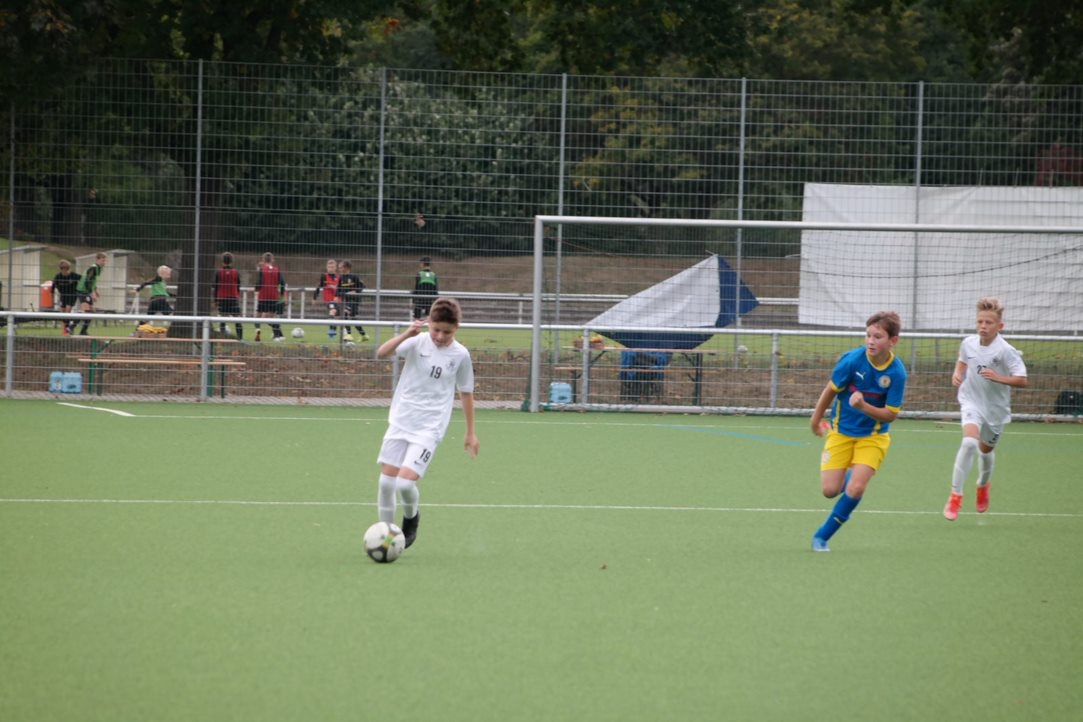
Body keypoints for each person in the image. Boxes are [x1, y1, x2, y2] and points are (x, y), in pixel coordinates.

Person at [374, 297, 479, 549]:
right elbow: (381, 353)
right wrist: (406, 334)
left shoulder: (460, 355)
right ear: (428, 322)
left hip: (429, 427)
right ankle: (386, 537)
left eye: (447, 332)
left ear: (457, 328)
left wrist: (470, 433)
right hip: (401, 420)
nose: (440, 336)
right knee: (386, 483)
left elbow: (466, 392)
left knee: (404, 483)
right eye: (436, 329)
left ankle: (411, 518)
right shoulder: (417, 341)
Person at [809, 310, 907, 552]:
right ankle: (852, 482)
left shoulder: (897, 373)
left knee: (856, 489)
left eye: (878, 337)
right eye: (868, 335)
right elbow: (830, 390)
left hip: (873, 437)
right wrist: (815, 420)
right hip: (840, 433)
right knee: (830, 490)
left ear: (893, 341)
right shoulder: (852, 360)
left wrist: (864, 406)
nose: (871, 341)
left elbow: (891, 414)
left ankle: (822, 536)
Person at [943, 297, 1028, 520]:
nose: (983, 326)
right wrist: (957, 372)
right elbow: (963, 360)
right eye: (980, 321)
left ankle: (982, 485)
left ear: (1000, 326)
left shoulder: (1006, 351)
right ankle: (955, 496)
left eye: (988, 322)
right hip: (971, 401)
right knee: (969, 443)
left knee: (986, 451)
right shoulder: (968, 343)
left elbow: (1022, 379)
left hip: (995, 410)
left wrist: (999, 378)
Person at [70, 252, 106, 336]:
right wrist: (91, 293)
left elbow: (92, 281)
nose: (104, 263)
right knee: (86, 310)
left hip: (86, 291)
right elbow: (87, 281)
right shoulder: (93, 268)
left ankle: (83, 331)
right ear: (97, 259)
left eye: (105, 261)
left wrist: (95, 290)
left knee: (90, 312)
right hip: (82, 291)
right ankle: (71, 327)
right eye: (102, 260)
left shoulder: (99, 268)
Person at [254, 252, 285, 342]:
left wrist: (256, 289)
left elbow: (259, 283)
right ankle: (278, 335)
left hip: (263, 297)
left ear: (263, 260)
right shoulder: (277, 270)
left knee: (257, 317)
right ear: (272, 260)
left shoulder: (262, 270)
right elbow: (282, 283)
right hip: (273, 297)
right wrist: (281, 293)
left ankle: (258, 331)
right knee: (270, 318)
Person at [336, 260, 369, 342]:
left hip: (354, 300)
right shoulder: (341, 278)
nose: (339, 269)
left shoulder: (354, 277)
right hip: (347, 300)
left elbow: (362, 286)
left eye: (341, 267)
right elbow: (338, 290)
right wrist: (340, 295)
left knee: (345, 313)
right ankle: (364, 335)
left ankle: (349, 335)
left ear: (347, 268)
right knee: (353, 318)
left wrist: (355, 291)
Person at [213, 252, 243, 339]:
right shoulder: (236, 272)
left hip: (222, 299)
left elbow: (216, 287)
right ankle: (240, 338)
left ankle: (222, 338)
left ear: (222, 261)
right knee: (237, 320)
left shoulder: (218, 272)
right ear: (232, 261)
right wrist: (237, 295)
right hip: (233, 298)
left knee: (223, 319)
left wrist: (215, 300)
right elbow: (238, 285)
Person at [51, 260, 81, 335]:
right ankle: (68, 328)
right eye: (64, 270)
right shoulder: (58, 276)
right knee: (63, 314)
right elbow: (53, 286)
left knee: (67, 311)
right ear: (61, 269)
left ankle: (69, 328)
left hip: (72, 295)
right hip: (63, 296)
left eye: (67, 270)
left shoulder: (74, 275)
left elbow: (83, 279)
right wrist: (52, 295)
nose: (66, 272)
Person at [313, 258, 341, 339]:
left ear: (335, 268)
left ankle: (332, 332)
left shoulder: (339, 277)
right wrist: (314, 298)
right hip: (328, 300)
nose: (330, 268)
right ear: (326, 267)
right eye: (329, 267)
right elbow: (319, 287)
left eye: (332, 267)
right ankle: (331, 331)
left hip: (338, 300)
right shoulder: (324, 276)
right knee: (333, 311)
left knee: (337, 317)